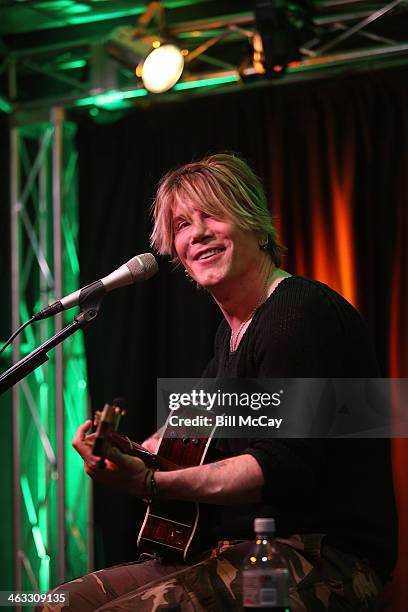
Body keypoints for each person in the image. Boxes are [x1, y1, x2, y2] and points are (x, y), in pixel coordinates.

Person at [39, 153, 397, 611]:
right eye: (183, 224)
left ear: (258, 224)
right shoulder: (226, 338)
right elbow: (176, 440)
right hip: (227, 552)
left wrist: (151, 483)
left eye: (214, 214)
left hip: (319, 557)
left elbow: (279, 464)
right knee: (54, 602)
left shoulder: (298, 314)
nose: (199, 233)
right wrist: (118, 452)